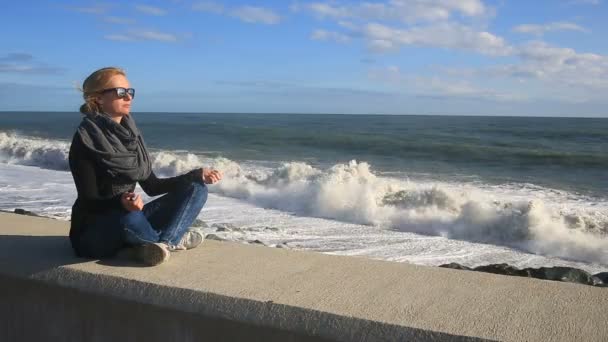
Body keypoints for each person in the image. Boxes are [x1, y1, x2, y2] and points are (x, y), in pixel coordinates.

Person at [68, 67, 222, 266]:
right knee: (129, 218)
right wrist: (122, 203)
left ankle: (162, 244)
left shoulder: (131, 137)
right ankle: (167, 240)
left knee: (197, 188)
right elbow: (89, 201)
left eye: (130, 92)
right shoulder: (86, 140)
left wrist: (195, 174)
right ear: (98, 98)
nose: (128, 97)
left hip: (129, 214)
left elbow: (153, 186)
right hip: (94, 232)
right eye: (121, 92)